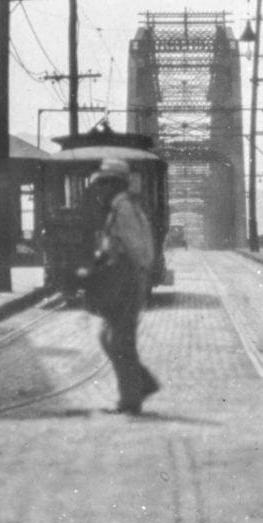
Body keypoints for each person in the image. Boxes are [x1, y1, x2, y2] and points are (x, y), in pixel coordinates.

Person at [79, 158, 159, 415]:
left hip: (126, 281)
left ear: (115, 184)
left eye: (104, 183)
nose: (100, 189)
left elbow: (137, 249)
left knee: (120, 340)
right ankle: (141, 383)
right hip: (126, 280)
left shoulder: (123, 208)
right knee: (110, 338)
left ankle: (131, 399)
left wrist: (123, 270)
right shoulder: (119, 206)